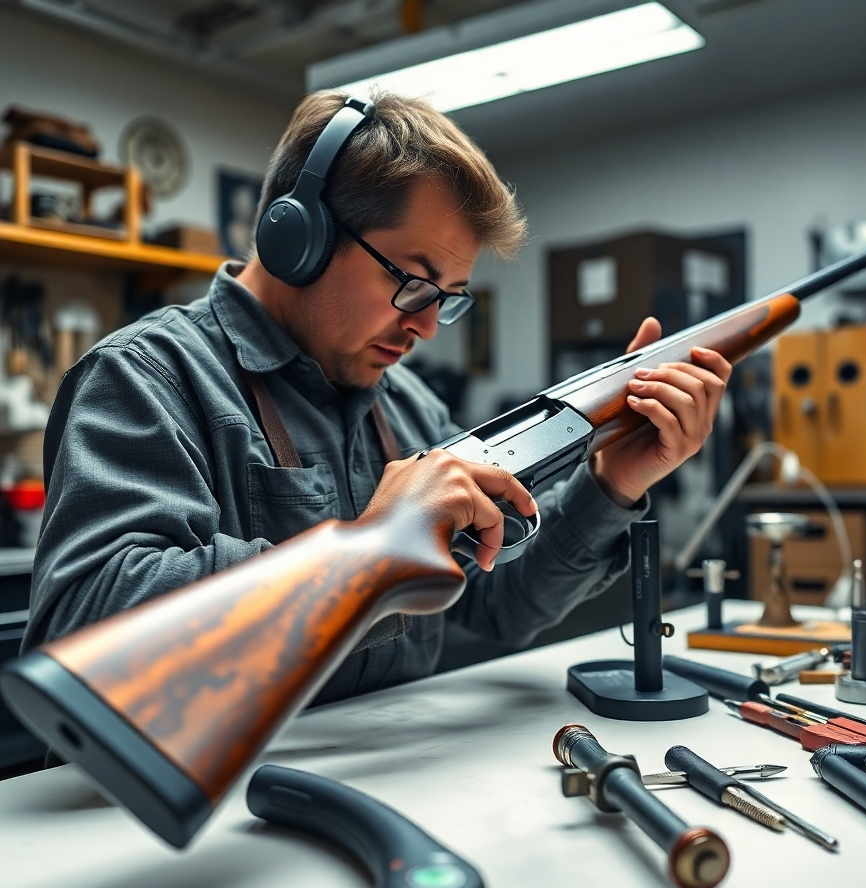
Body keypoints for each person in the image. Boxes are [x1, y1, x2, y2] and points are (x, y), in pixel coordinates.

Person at [24, 90, 731, 704]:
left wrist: (610, 483)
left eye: (448, 301)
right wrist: (366, 554)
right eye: (413, 282)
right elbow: (84, 636)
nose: (426, 326)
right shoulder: (145, 381)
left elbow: (497, 603)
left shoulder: (407, 407)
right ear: (300, 235)